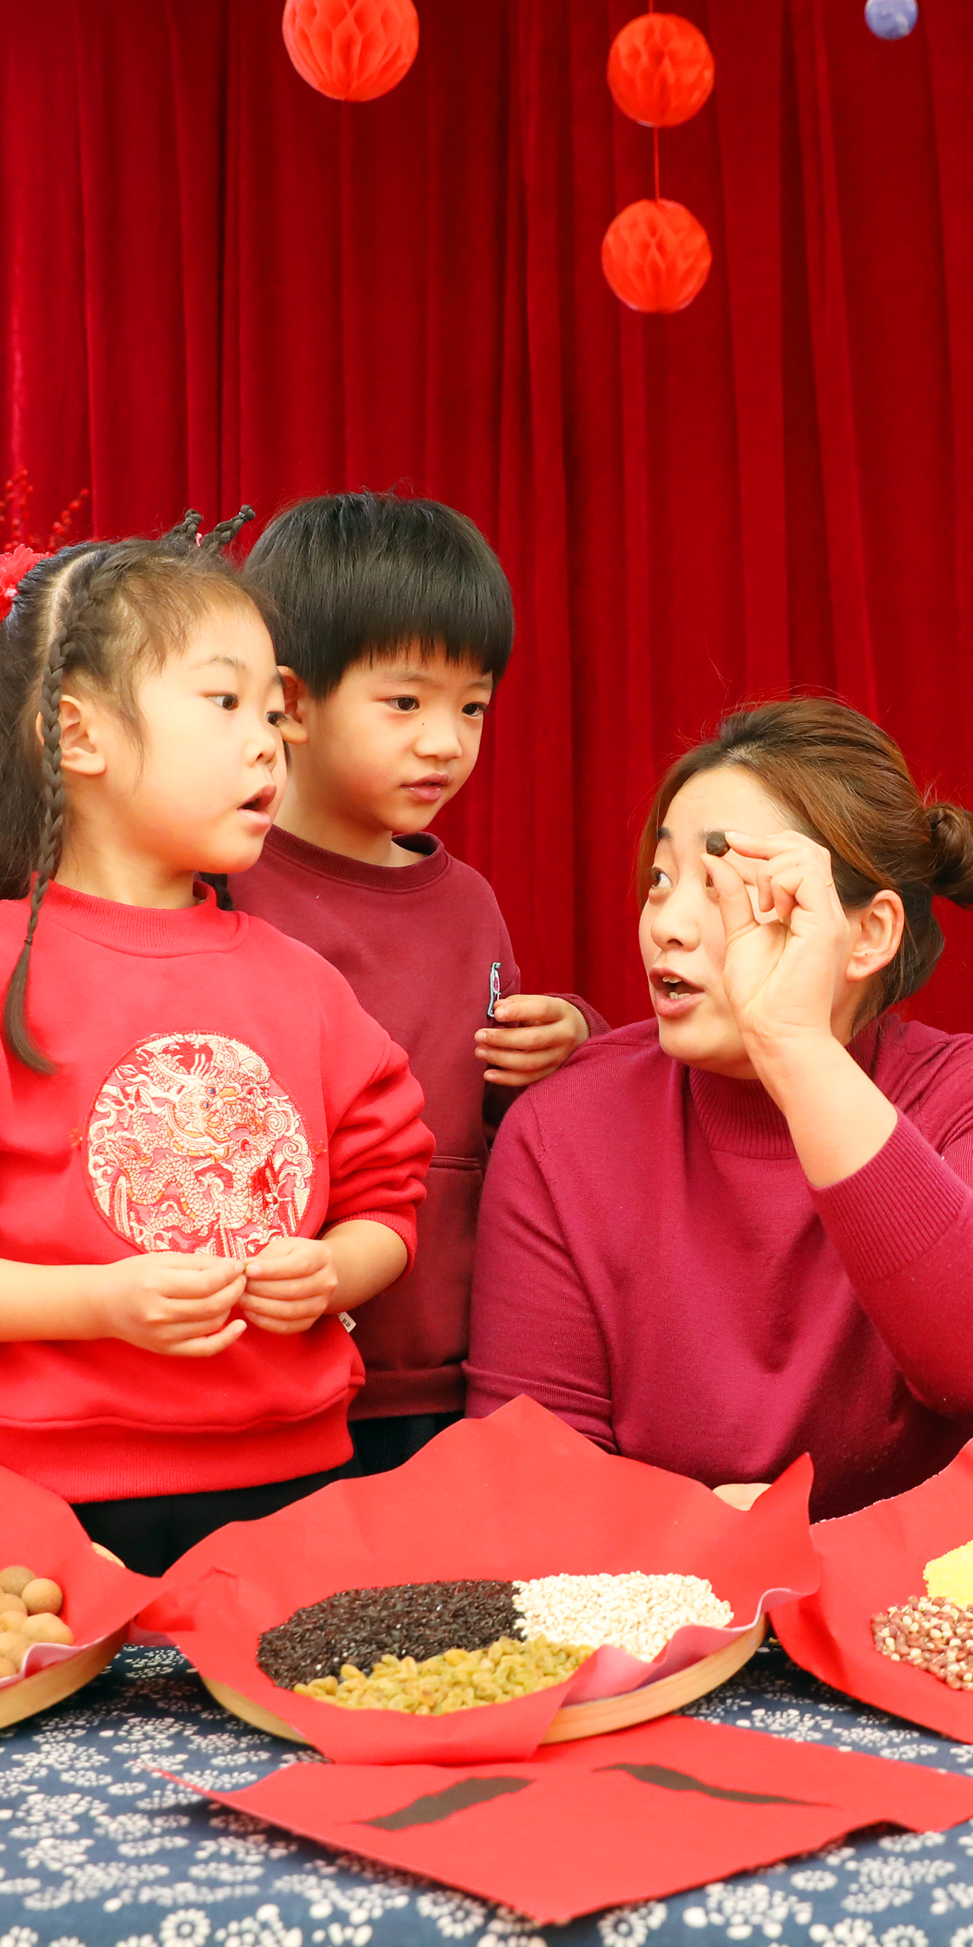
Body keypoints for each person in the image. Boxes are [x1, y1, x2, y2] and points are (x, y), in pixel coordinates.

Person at [0, 517, 433, 1575]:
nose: (267, 743)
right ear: (79, 734)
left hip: (293, 1490)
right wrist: (98, 1304)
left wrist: (334, 1270)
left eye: (273, 713)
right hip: (36, 1514)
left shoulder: (308, 985)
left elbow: (390, 1198)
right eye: (225, 702)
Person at [466, 696, 973, 1518]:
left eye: (725, 887)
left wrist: (794, 1045)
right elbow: (526, 1482)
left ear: (868, 934)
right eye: (662, 879)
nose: (668, 924)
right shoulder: (562, 1127)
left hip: (920, 1588)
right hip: (661, 1592)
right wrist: (705, 1537)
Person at [224, 494, 601, 1479]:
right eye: (406, 703)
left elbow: (507, 1112)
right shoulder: (222, 883)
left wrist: (567, 1036)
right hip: (271, 1366)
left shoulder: (469, 901)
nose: (446, 741)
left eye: (472, 706)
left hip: (448, 1373)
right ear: (292, 703)